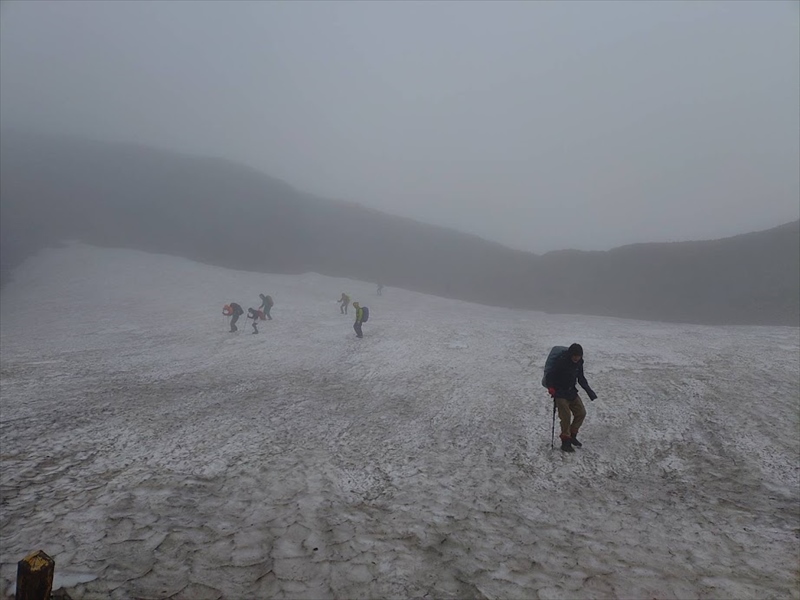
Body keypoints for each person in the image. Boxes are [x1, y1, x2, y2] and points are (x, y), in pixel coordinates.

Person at [545, 343, 598, 452]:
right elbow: (550, 375)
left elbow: (581, 378)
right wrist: (551, 388)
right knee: (566, 417)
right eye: (575, 356)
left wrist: (589, 391)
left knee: (581, 413)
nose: (576, 358)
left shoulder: (579, 362)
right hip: (560, 392)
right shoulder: (561, 361)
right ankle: (565, 442)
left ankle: (572, 436)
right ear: (570, 354)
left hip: (571, 391)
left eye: (578, 356)